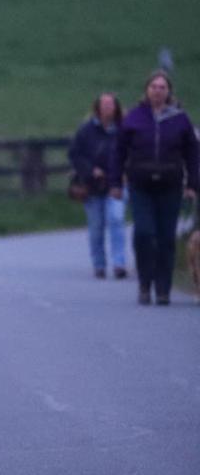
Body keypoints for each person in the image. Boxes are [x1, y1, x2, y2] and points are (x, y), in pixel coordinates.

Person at [110, 70, 200, 305]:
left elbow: (192, 153)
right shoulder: (134, 118)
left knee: (165, 237)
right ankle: (144, 282)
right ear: (146, 90)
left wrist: (193, 184)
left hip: (170, 185)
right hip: (141, 184)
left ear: (169, 91)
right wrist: (115, 182)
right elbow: (119, 151)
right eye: (154, 87)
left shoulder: (180, 119)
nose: (158, 91)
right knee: (144, 233)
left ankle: (163, 288)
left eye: (162, 87)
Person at [68, 93, 128, 279]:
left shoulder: (123, 130)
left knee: (117, 219)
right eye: (105, 104)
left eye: (111, 104)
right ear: (98, 108)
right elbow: (75, 154)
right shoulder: (86, 130)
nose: (108, 108)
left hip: (116, 183)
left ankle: (119, 263)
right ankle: (99, 264)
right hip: (93, 186)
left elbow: (132, 152)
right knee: (96, 227)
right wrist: (90, 170)